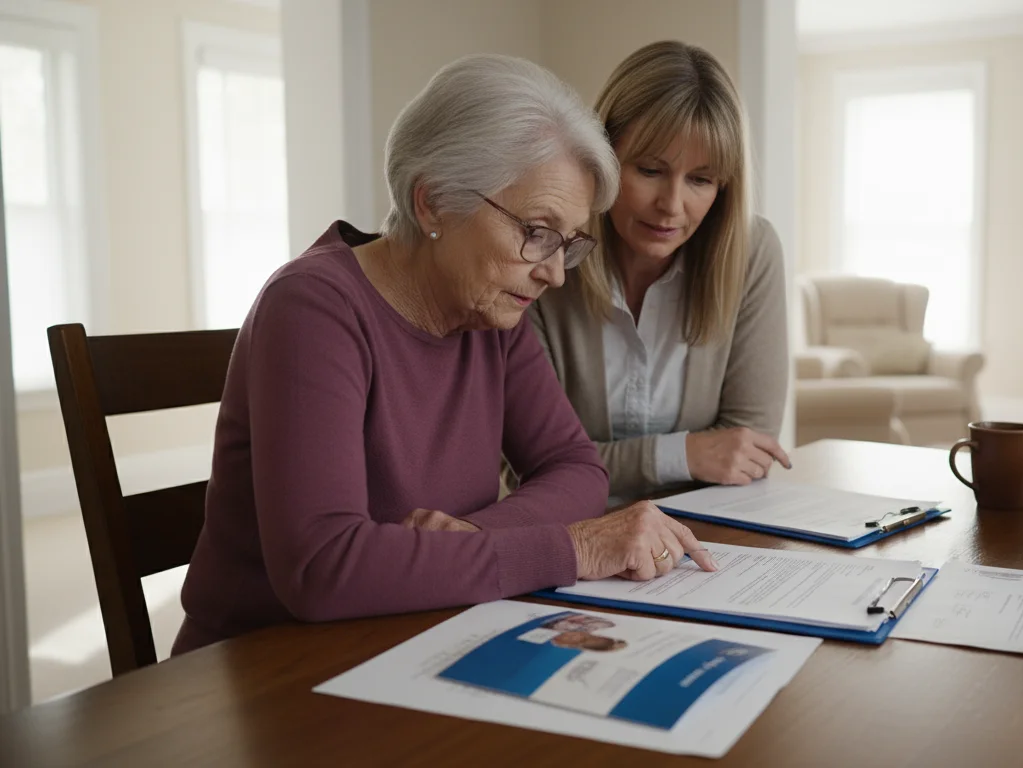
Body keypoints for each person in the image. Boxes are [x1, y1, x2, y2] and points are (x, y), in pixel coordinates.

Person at [173, 54, 717, 656]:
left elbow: (577, 469)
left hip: (422, 633)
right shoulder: (311, 308)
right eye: (536, 231)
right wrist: (577, 548)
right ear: (432, 202)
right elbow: (322, 569)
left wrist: (467, 542)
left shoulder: (492, 310)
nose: (555, 274)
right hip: (269, 668)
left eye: (569, 243)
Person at [528, 41, 791, 502]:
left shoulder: (752, 253)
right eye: (650, 170)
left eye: (700, 180)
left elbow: (747, 450)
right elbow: (534, 465)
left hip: (709, 539)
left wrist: (602, 461)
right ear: (602, 156)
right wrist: (684, 455)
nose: (671, 206)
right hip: (576, 538)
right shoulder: (546, 254)